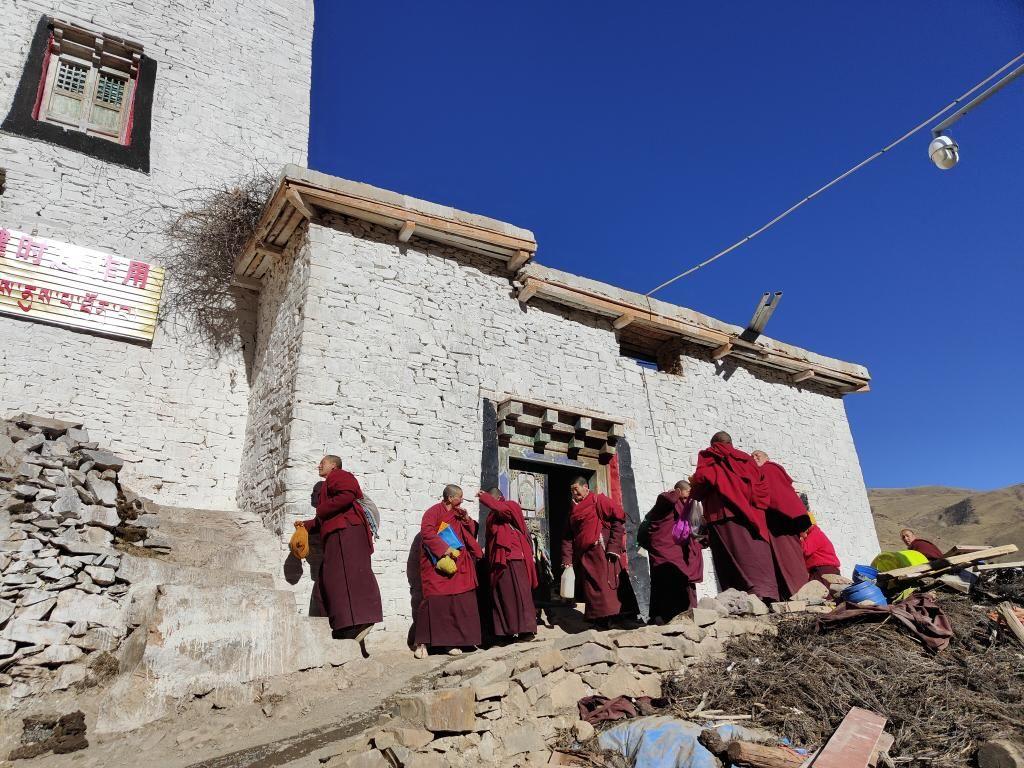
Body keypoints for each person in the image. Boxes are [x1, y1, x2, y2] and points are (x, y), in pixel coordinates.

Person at [296, 455, 382, 647]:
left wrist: (320, 510)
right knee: (333, 579)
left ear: (333, 466)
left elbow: (348, 494)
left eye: (323, 462)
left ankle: (362, 620)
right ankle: (346, 626)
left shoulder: (339, 475)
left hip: (347, 531)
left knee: (349, 575)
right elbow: (325, 519)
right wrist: (306, 525)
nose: (319, 465)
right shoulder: (329, 492)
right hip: (339, 532)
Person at [690, 432, 780, 601]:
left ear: (714, 444)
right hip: (753, 513)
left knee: (730, 556)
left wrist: (694, 484)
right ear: (730, 443)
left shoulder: (711, 456)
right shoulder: (747, 460)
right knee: (755, 550)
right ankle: (767, 592)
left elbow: (702, 479)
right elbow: (762, 485)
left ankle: (740, 596)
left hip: (723, 513)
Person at [414, 485, 484, 658]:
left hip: (459, 563)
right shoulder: (433, 512)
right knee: (435, 601)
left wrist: (467, 519)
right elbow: (427, 533)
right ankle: (422, 643)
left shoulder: (458, 513)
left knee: (459, 602)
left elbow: (471, 531)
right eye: (460, 497)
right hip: (438, 563)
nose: (462, 500)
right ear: (451, 498)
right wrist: (444, 549)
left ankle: (452, 642)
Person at [560, 477, 637, 626]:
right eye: (572, 490)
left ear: (586, 487)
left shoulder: (599, 500)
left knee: (608, 586)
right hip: (585, 555)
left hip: (602, 551)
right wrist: (567, 560)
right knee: (592, 589)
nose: (574, 492)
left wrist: (614, 546)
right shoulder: (572, 511)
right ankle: (599, 619)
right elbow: (567, 537)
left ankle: (618, 617)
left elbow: (618, 518)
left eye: (576, 488)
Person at [478, 488, 538, 640]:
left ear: (500, 498)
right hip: (498, 560)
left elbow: (504, 512)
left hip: (515, 557)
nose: (490, 503)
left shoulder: (511, 505)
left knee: (520, 594)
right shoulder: (492, 515)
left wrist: (485, 498)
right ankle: (505, 632)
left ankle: (526, 630)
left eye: (493, 500)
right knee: (503, 596)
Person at [751, 450, 811, 598]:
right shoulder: (771, 470)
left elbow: (771, 495)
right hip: (785, 519)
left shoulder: (768, 469)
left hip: (781, 518)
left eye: (758, 455)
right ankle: (791, 594)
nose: (754, 458)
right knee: (785, 557)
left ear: (767, 457)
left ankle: (800, 593)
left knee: (788, 557)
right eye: (752, 456)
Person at [642, 480, 704, 623]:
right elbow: (665, 498)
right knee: (664, 582)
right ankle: (663, 617)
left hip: (679, 552)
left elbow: (695, 531)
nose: (685, 501)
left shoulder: (687, 509)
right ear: (677, 491)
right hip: (663, 550)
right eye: (683, 497)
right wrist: (675, 493)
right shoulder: (665, 504)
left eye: (688, 498)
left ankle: (686, 615)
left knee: (683, 582)